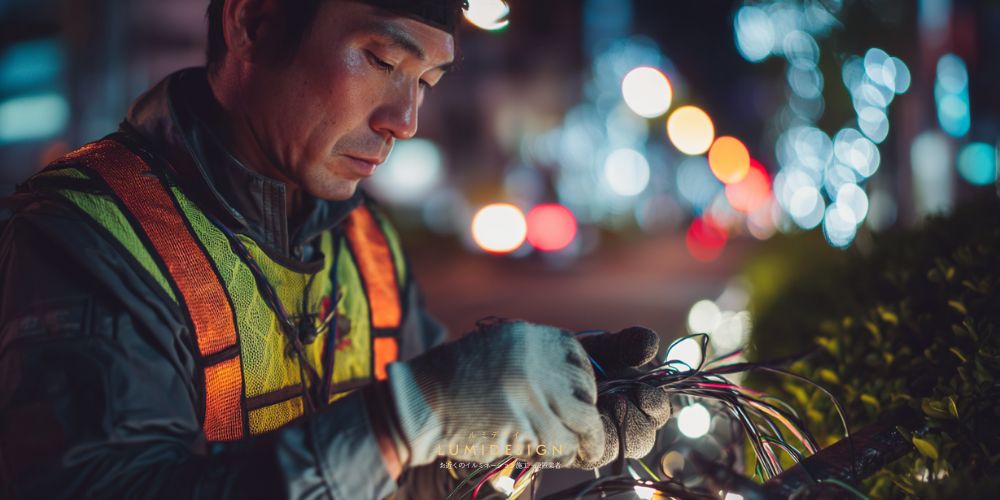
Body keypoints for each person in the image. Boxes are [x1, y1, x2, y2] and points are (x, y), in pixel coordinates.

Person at [0, 1, 672, 498]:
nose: (405, 120)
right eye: (382, 61)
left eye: (427, 81)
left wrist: (502, 431)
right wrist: (405, 417)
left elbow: (411, 474)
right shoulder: (84, 237)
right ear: (253, 24)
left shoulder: (366, 242)